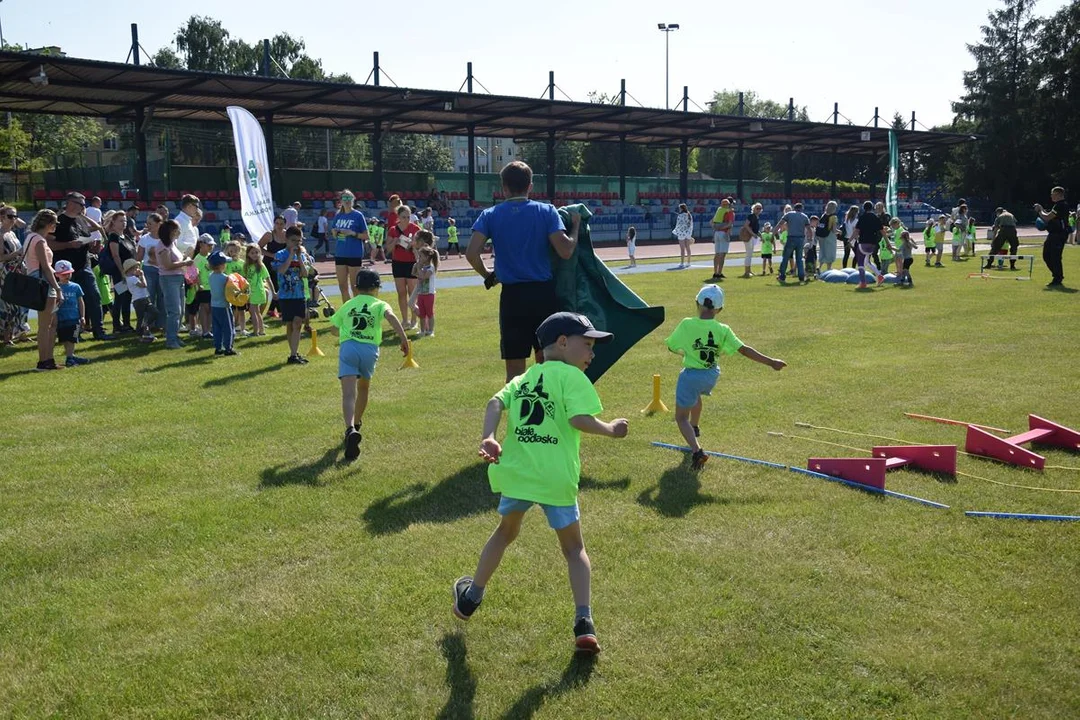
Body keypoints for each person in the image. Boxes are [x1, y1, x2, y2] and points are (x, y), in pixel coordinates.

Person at [451, 311, 629, 655]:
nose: (592, 354)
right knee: (574, 549)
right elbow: (579, 418)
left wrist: (488, 436)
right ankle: (584, 623)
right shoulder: (573, 377)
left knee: (505, 532)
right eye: (588, 345)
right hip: (555, 478)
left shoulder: (527, 376)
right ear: (563, 342)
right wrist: (610, 429)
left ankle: (472, 596)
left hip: (519, 474)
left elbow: (494, 402)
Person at [466, 161, 581, 382]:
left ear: (503, 188)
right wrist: (575, 227)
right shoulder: (546, 211)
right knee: (549, 363)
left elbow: (472, 253)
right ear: (530, 186)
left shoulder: (490, 214)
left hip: (512, 297)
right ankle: (550, 411)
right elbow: (566, 250)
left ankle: (517, 415)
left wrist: (488, 275)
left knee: (515, 371)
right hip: (543, 296)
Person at [666, 285, 786, 469]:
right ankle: (695, 427)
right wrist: (771, 362)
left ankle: (697, 451)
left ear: (696, 303)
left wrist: (686, 353)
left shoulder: (686, 324)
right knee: (695, 395)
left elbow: (672, 346)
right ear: (719, 309)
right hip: (711, 375)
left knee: (681, 417)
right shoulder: (723, 329)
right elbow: (744, 350)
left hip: (691, 376)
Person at [328, 268, 410, 460]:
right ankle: (357, 424)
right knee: (363, 388)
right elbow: (391, 317)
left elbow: (333, 328)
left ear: (356, 287)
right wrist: (403, 339)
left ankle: (349, 429)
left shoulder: (349, 304)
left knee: (348, 393)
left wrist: (340, 330)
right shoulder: (380, 304)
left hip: (348, 348)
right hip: (369, 350)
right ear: (377, 287)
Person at [47, 192, 109, 340]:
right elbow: (49, 244)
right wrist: (69, 245)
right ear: (70, 203)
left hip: (84, 265)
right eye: (81, 204)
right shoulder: (58, 222)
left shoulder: (80, 221)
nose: (83, 207)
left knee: (94, 297)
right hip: (65, 269)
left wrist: (89, 243)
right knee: (68, 302)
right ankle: (72, 334)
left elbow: (97, 228)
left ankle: (98, 331)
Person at [24, 210, 65, 370]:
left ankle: (48, 359)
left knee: (50, 323)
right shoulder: (39, 241)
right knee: (45, 325)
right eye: (54, 224)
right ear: (48, 224)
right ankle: (44, 361)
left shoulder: (30, 237)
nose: (55, 227)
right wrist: (57, 288)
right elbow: (46, 268)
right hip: (43, 281)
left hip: (36, 279)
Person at [155, 219, 195, 350]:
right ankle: (171, 340)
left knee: (181, 310)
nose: (179, 231)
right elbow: (167, 265)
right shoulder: (163, 246)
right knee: (174, 311)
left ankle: (175, 336)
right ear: (170, 231)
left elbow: (175, 260)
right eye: (177, 229)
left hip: (178, 278)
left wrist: (184, 257)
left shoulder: (172, 244)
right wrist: (185, 263)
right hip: (169, 279)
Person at [274, 226, 311, 364]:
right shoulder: (280, 254)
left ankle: (294, 354)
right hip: (285, 295)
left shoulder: (302, 255)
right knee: (290, 324)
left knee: (297, 323)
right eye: (293, 240)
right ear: (287, 240)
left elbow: (305, 274)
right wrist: (290, 255)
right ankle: (293, 353)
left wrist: (300, 258)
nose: (296, 243)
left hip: (299, 294)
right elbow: (281, 271)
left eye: (299, 241)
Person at [330, 190, 370, 303]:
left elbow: (366, 236)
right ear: (341, 201)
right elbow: (334, 233)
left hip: (354, 254)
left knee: (354, 286)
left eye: (349, 198)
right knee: (342, 286)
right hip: (340, 253)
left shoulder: (358, 215)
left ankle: (357, 309)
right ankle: (347, 310)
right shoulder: (338, 215)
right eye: (345, 198)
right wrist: (335, 232)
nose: (347, 201)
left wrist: (352, 233)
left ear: (353, 200)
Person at [386, 205, 421, 329]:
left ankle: (414, 319)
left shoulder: (415, 228)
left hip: (411, 263)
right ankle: (405, 320)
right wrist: (395, 241)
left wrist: (414, 245)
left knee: (412, 292)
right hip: (398, 263)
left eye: (408, 217)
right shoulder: (393, 230)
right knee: (401, 293)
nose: (406, 219)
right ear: (398, 217)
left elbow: (422, 246)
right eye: (403, 217)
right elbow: (388, 249)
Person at [103, 210, 137, 334]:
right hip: (120, 273)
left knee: (127, 298)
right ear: (114, 222)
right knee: (120, 299)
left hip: (130, 272)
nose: (124, 223)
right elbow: (116, 255)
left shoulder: (126, 236)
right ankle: (117, 326)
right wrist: (122, 272)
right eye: (121, 221)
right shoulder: (114, 236)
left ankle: (127, 324)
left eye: (125, 221)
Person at [53, 260, 90, 368]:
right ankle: (70, 357)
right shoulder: (56, 289)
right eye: (64, 274)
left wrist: (82, 316)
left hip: (74, 318)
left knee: (73, 338)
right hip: (62, 319)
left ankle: (70, 356)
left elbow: (80, 302)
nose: (67, 276)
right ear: (57, 275)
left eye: (68, 273)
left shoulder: (75, 287)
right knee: (65, 338)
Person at [0, 207, 29, 345]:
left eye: (15, 216)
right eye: (10, 216)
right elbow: (0, 257)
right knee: (9, 305)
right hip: (6, 271)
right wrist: (17, 253)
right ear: (2, 217)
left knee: (19, 303)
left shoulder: (11, 233)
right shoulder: (1, 234)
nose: (13, 219)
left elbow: (23, 224)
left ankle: (20, 333)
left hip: (17, 269)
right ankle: (7, 337)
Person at [1034, 186, 1069, 287]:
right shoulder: (1057, 205)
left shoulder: (1061, 205)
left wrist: (1040, 210)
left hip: (1059, 234)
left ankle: (1057, 278)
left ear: (1058, 194)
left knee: (1055, 257)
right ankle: (1057, 275)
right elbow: (1049, 215)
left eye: (1052, 194)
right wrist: (1042, 210)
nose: (1051, 196)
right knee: (1046, 255)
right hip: (1053, 233)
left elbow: (1047, 217)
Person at [207, 251, 238, 357]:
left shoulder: (210, 276)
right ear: (221, 265)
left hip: (214, 306)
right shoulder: (225, 278)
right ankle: (228, 348)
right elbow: (232, 289)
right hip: (224, 306)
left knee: (217, 327)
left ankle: (218, 347)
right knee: (228, 327)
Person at [137, 212, 164, 330]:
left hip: (163, 271)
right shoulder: (144, 239)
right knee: (149, 298)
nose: (148, 226)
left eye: (150, 223)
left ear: (159, 224)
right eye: (147, 223)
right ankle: (147, 324)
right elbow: (139, 258)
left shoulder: (165, 238)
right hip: (148, 270)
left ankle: (161, 324)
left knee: (162, 298)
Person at [851, 201, 886, 289]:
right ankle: (880, 276)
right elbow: (882, 231)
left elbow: (856, 231)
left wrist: (849, 240)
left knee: (861, 263)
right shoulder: (875, 217)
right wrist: (888, 243)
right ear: (872, 208)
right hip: (873, 243)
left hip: (863, 242)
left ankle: (863, 283)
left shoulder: (862, 218)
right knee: (867, 261)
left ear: (864, 208)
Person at [259, 215, 288, 318]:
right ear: (274, 224)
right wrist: (272, 255)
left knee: (280, 286)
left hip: (281, 264)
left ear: (285, 224)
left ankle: (271, 310)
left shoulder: (287, 235)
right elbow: (258, 248)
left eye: (281, 224)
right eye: (277, 223)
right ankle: (281, 311)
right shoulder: (269, 235)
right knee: (276, 286)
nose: (279, 226)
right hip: (269, 263)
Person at [123, 259, 156, 343]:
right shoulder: (132, 278)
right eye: (136, 268)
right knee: (141, 318)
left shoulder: (131, 278)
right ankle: (141, 335)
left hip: (143, 298)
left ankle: (145, 328)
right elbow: (144, 285)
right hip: (139, 300)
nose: (138, 269)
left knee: (153, 312)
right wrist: (142, 275)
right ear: (130, 269)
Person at [777, 202, 810, 284]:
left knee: (785, 258)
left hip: (791, 238)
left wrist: (773, 234)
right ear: (801, 208)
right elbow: (809, 229)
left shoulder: (789, 214)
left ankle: (782, 276)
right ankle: (801, 277)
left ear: (794, 208)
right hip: (800, 239)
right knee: (799, 259)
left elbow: (779, 224)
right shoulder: (804, 216)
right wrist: (810, 238)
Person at [242, 243, 271, 337]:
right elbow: (244, 279)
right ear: (248, 254)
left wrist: (273, 292)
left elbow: (268, 278)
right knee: (257, 312)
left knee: (253, 311)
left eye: (257, 252)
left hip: (257, 291)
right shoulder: (246, 266)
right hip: (250, 291)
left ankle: (255, 331)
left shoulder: (261, 265)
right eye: (252, 253)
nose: (255, 254)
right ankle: (261, 331)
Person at [191, 235, 215, 339]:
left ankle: (208, 329)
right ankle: (205, 330)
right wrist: (199, 284)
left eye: (212, 245)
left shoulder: (210, 256)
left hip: (211, 287)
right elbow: (195, 274)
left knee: (210, 309)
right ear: (201, 244)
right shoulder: (198, 258)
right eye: (208, 245)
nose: (211, 247)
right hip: (203, 288)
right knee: (205, 308)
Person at [413, 245, 438, 338]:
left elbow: (424, 277)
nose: (419, 258)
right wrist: (416, 268)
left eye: (421, 256)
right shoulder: (422, 267)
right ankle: (422, 331)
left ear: (427, 257)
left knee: (429, 313)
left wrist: (419, 268)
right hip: (421, 293)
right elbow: (415, 274)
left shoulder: (430, 268)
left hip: (429, 294)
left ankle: (431, 331)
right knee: (422, 313)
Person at [709, 198, 735, 280]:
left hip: (716, 233)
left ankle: (715, 272)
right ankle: (719, 273)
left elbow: (711, 222)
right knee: (722, 254)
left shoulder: (719, 211)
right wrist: (724, 228)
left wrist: (717, 228)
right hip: (724, 233)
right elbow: (730, 224)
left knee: (717, 253)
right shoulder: (730, 212)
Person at [740, 203, 763, 278]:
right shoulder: (751, 216)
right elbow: (746, 225)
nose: (759, 210)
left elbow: (755, 228)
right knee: (748, 254)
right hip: (749, 236)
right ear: (753, 209)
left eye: (760, 208)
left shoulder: (756, 217)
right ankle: (746, 272)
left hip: (753, 236)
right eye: (757, 208)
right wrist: (752, 234)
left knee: (750, 254)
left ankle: (749, 270)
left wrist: (759, 234)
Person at [816, 201, 839, 273]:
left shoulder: (823, 215)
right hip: (830, 236)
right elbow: (834, 230)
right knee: (830, 252)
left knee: (823, 251)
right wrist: (840, 232)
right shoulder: (834, 217)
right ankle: (829, 268)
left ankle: (819, 267)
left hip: (821, 236)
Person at [673, 203, 694, 268]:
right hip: (687, 233)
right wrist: (690, 233)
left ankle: (682, 263)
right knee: (688, 247)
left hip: (682, 233)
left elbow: (678, 225)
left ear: (681, 208)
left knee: (682, 249)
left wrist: (676, 231)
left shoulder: (680, 215)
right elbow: (691, 225)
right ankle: (688, 262)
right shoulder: (689, 215)